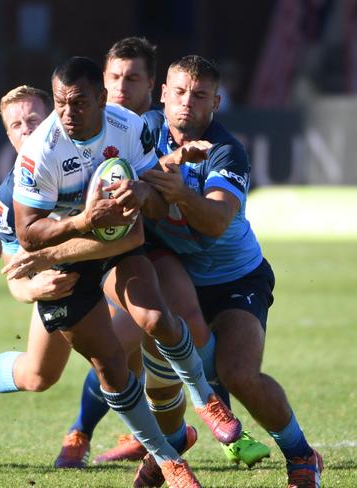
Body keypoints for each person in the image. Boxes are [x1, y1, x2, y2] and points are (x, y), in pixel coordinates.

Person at [0, 55, 245, 487]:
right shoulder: (37, 159)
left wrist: (143, 190)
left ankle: (205, 400)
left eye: (77, 103)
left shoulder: (127, 127)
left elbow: (144, 220)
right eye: (59, 104)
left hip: (108, 247)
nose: (65, 115)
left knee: (155, 317)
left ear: (102, 99)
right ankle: (168, 459)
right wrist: (78, 228)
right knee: (66, 370)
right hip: (60, 268)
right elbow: (30, 242)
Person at [138, 55, 322, 487]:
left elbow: (216, 222)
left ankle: (301, 456)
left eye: (199, 95)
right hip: (175, 274)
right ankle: (166, 450)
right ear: (163, 93)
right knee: (161, 382)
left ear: (216, 102)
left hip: (236, 279)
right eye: (179, 92)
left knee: (239, 374)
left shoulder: (226, 150)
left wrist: (181, 192)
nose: (187, 103)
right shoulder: (142, 130)